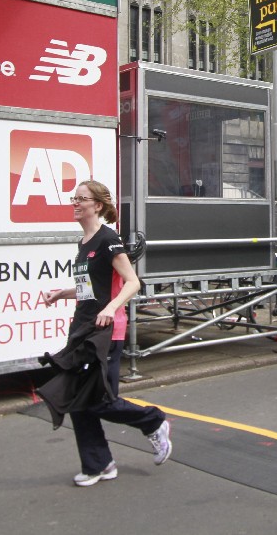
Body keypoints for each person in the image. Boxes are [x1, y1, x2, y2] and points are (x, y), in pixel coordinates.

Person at [39, 180, 171, 487]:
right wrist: (61, 294)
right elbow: (90, 290)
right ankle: (99, 465)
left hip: (106, 332)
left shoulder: (108, 239)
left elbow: (132, 282)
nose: (75, 203)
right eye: (73, 198)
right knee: (77, 400)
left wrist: (111, 308)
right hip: (83, 328)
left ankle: (154, 421)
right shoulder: (84, 243)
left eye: (81, 198)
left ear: (97, 205)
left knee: (101, 400)